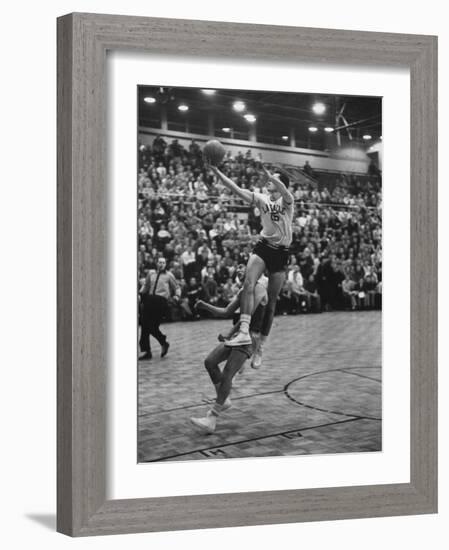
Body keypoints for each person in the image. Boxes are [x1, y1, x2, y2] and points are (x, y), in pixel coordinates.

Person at [207, 161, 294, 361]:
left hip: (281, 252)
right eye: (269, 179)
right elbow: (235, 189)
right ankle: (244, 331)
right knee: (248, 282)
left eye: (274, 180)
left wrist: (272, 176)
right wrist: (217, 171)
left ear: (281, 185)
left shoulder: (288, 202)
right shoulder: (262, 199)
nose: (269, 182)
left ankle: (260, 345)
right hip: (263, 246)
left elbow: (284, 190)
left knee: (271, 303)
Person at [189, 268, 268, 434]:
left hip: (250, 337)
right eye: (238, 267)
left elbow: (249, 315)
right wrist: (205, 306)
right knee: (210, 362)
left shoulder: (259, 288)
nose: (239, 270)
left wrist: (230, 333)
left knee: (227, 374)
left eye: (243, 267)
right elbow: (226, 311)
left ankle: (212, 417)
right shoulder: (242, 291)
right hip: (239, 335)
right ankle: (222, 400)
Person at [139, 257, 180, 360]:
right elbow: (146, 285)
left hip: (161, 302)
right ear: (156, 263)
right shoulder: (151, 274)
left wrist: (177, 296)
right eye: (159, 262)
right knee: (144, 325)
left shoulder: (169, 275)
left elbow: (177, 287)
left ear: (165, 264)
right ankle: (146, 351)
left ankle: (163, 341)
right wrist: (140, 294)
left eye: (163, 262)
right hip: (149, 300)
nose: (161, 264)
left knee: (152, 326)